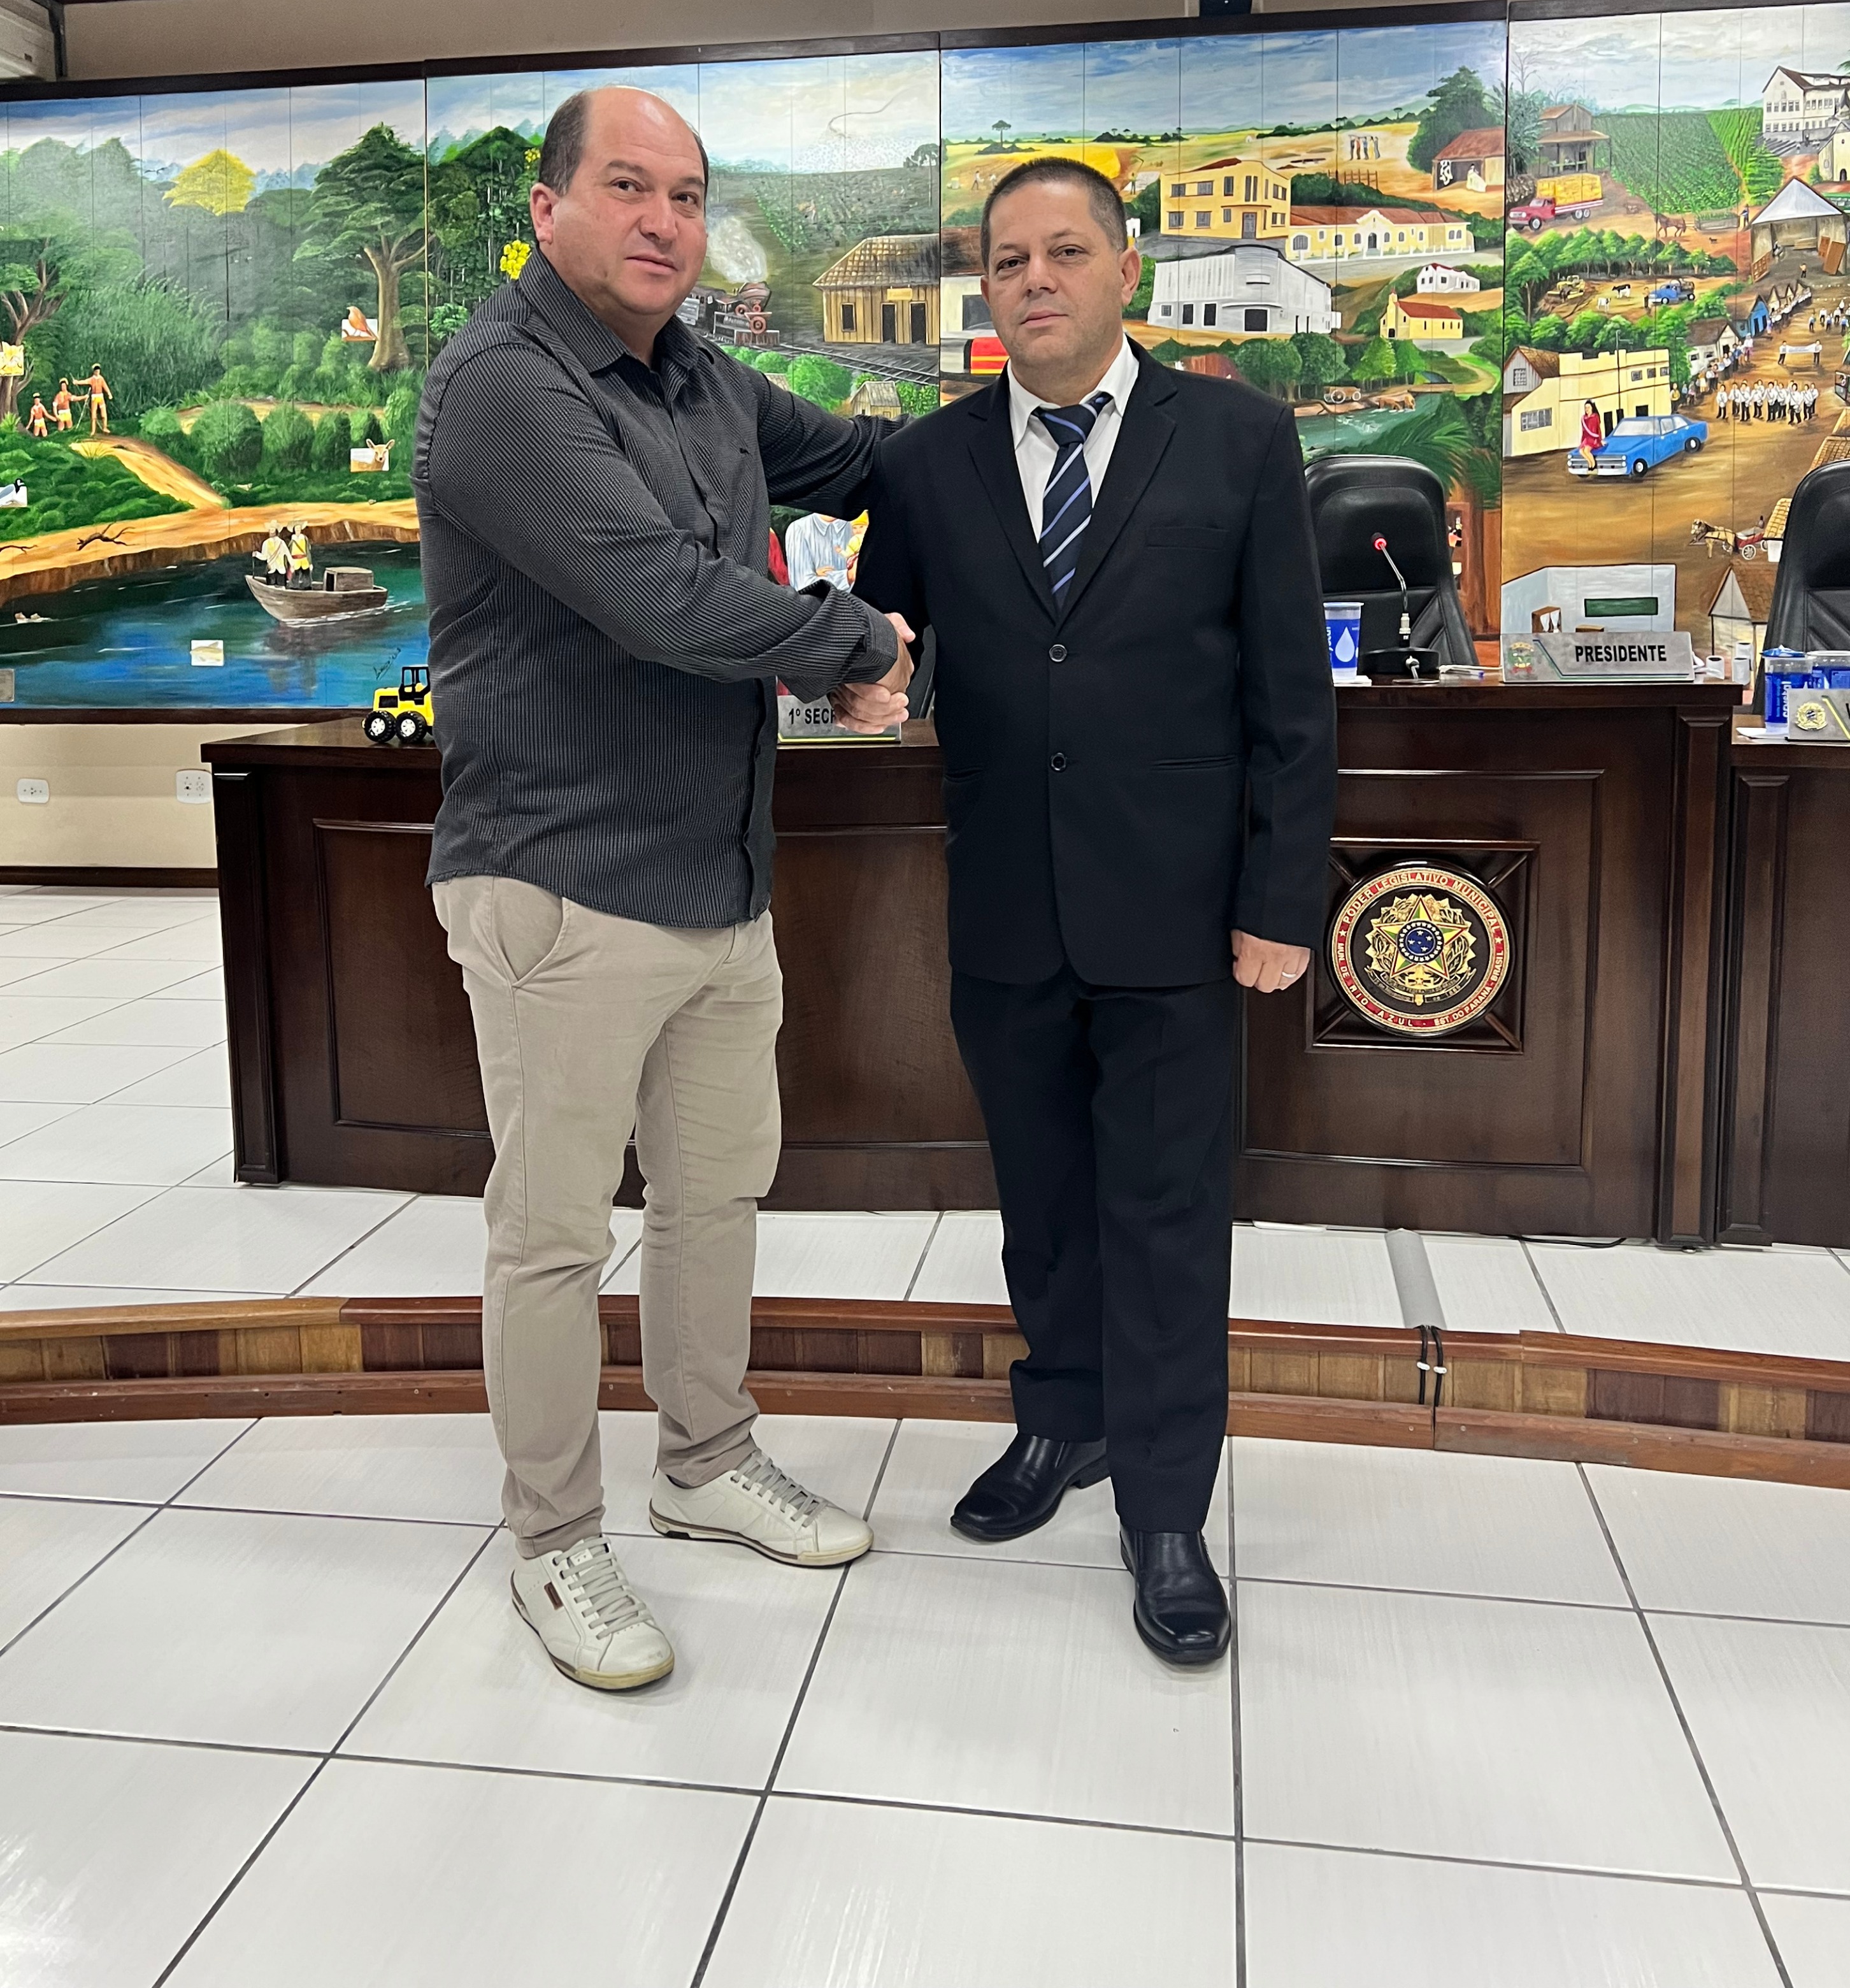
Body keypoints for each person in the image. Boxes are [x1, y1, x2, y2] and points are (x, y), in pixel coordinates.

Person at [416, 85, 913, 1695]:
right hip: (562, 883)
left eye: (688, 196)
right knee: (554, 1234)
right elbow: (664, 600)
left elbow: (865, 456)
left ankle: (704, 1460)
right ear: (548, 207)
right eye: (627, 187)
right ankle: (554, 1541)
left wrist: (1053, 412)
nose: (662, 222)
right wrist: (858, 643)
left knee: (713, 1195)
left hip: (718, 880)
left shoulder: (701, 377)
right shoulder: (504, 384)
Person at [844, 157, 1336, 1667]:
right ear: (985, 289)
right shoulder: (925, 464)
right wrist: (862, 678)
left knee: (1168, 1217)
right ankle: (1063, 1421)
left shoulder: (1238, 440)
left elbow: (1290, 693)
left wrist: (1278, 897)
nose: (1036, 280)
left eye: (1066, 252)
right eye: (1009, 260)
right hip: (1004, 905)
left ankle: (1168, 1507)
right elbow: (885, 635)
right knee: (1043, 1202)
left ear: (1126, 269)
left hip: (1177, 916)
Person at [83, 363, 111, 435]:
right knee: (94, 414)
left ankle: (105, 427)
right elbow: (85, 381)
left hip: (100, 397)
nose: (97, 372)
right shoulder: (92, 379)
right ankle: (93, 430)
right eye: (96, 371)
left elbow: (105, 386)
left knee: (104, 413)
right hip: (94, 397)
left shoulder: (101, 379)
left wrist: (109, 393)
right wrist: (77, 382)